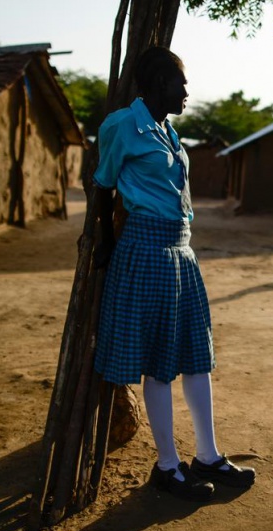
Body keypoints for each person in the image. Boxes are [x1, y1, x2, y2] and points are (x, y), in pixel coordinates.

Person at [92, 46, 255, 501]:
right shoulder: (123, 126)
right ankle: (167, 467)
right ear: (157, 84)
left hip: (182, 252)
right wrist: (107, 241)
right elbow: (103, 185)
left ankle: (208, 455)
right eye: (178, 83)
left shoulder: (168, 131)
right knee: (161, 363)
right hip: (144, 249)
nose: (186, 91)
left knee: (196, 357)